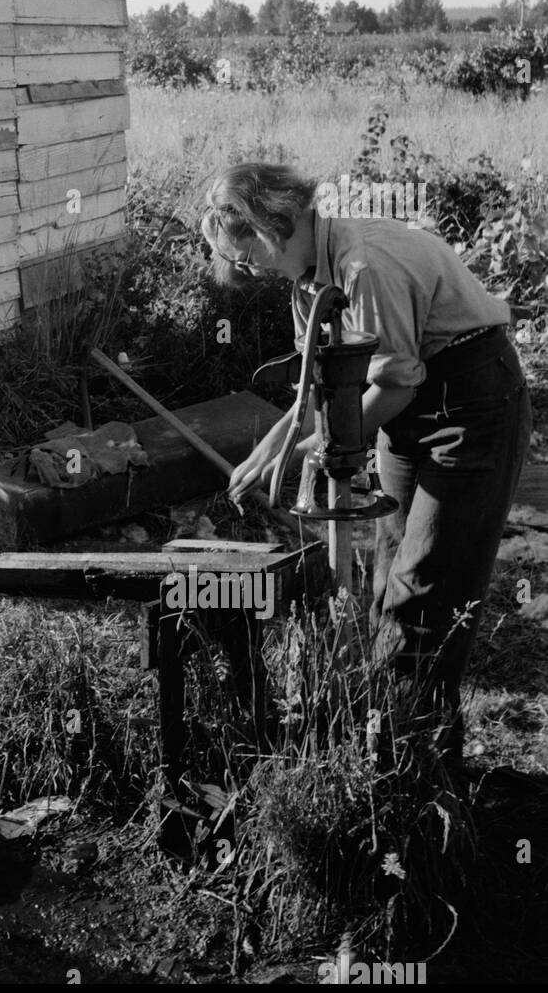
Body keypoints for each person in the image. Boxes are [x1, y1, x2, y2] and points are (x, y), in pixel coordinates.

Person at [199, 161, 532, 764]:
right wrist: (267, 451)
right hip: (408, 409)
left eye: (248, 257)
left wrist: (318, 451)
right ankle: (382, 744)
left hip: (470, 403)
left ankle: (418, 770)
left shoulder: (362, 266)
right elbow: (319, 390)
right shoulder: (309, 280)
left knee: (425, 590)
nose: (251, 271)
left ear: (272, 224)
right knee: (386, 577)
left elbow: (396, 384)